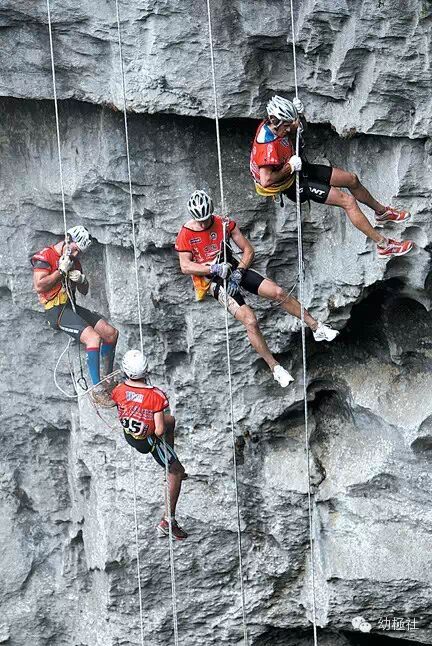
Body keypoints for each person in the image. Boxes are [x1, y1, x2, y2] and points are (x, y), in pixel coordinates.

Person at [175, 190, 339, 388]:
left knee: (278, 292)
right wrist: (213, 269)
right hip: (213, 280)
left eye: (206, 219)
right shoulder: (186, 234)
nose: (203, 224)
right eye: (199, 221)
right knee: (250, 321)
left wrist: (239, 272)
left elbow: (248, 250)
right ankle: (275, 368)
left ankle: (316, 327)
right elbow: (185, 266)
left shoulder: (224, 223)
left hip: (234, 269)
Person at [250, 95, 415, 259]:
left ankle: (382, 213)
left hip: (296, 168)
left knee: (351, 179)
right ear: (275, 121)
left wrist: (300, 116)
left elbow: (298, 130)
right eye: (286, 126)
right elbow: (266, 180)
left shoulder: (275, 125)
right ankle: (384, 245)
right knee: (348, 202)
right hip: (291, 185)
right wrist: (290, 167)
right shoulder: (267, 145)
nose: (287, 129)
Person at [31, 225, 118, 405]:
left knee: (110, 333)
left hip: (71, 306)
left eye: (80, 252)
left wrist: (82, 280)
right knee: (93, 338)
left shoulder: (74, 261)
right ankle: (97, 390)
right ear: (68, 240)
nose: (77, 254)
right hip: (56, 311)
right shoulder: (46, 256)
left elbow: (84, 291)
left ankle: (107, 379)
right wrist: (61, 272)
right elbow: (39, 286)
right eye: (76, 249)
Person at [110, 350, 188, 541]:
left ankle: (168, 460)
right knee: (178, 471)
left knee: (171, 421)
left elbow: (124, 404)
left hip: (130, 434)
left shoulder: (118, 390)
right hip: (148, 441)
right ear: (146, 369)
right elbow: (159, 431)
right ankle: (168, 522)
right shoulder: (155, 396)